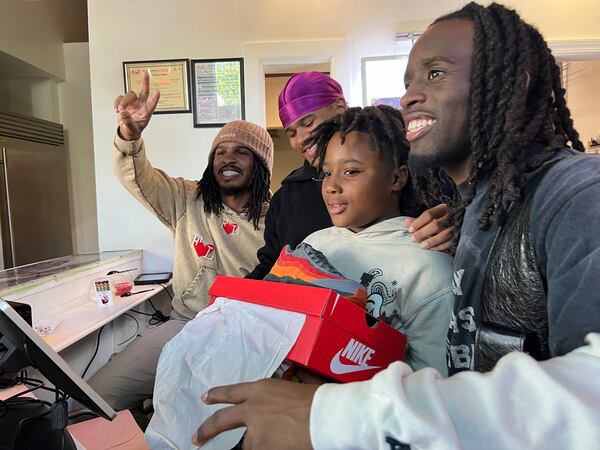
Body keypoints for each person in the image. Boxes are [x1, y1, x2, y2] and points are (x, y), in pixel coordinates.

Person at [191, 3, 600, 449]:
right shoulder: (471, 215)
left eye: (436, 73)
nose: (408, 97)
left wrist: (335, 414)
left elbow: (589, 393)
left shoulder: (578, 194)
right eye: (408, 82)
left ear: (511, 86)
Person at [87, 71, 274, 416]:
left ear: (261, 165)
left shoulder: (278, 217)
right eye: (220, 152)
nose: (227, 159)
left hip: (247, 335)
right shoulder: (187, 199)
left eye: (241, 153)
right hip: (185, 322)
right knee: (96, 399)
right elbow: (138, 177)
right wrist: (130, 136)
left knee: (217, 418)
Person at [246, 72, 453, 280]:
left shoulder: (424, 175)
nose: (301, 138)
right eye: (291, 133)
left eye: (309, 123)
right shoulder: (287, 199)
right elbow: (273, 267)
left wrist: (460, 225)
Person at [301, 105, 453, 374]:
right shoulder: (313, 244)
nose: (331, 186)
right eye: (326, 172)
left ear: (396, 178)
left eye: (351, 172)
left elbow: (435, 381)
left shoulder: (427, 266)